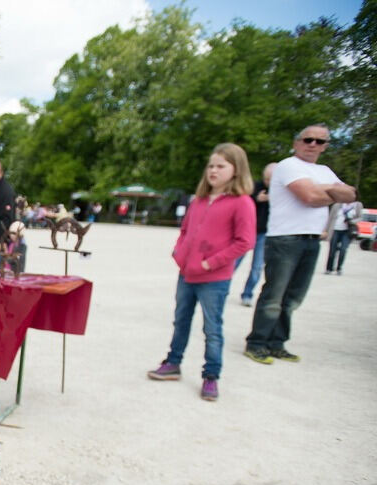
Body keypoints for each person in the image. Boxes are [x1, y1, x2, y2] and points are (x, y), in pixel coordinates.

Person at [147, 143, 255, 401]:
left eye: (221, 166)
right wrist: (179, 252)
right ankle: (173, 362)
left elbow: (244, 241)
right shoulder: (199, 201)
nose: (213, 171)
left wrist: (210, 263)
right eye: (211, 165)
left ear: (236, 170)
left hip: (214, 279)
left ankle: (211, 375)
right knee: (180, 320)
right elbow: (185, 230)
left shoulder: (242, 203)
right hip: (187, 274)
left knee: (212, 328)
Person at [244, 124, 357, 364]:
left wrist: (323, 189)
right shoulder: (288, 166)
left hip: (312, 238)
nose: (313, 144)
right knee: (274, 294)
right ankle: (257, 342)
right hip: (285, 238)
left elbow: (351, 195)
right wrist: (331, 190)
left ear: (325, 146)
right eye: (308, 139)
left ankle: (277, 343)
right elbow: (309, 197)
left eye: (319, 141)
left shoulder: (325, 170)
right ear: (297, 142)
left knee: (293, 296)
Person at [235, 163, 276, 306]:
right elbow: (243, 204)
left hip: (265, 233)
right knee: (233, 262)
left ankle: (247, 294)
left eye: (271, 180)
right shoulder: (254, 187)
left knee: (257, 267)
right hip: (248, 231)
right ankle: (221, 288)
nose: (268, 182)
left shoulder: (281, 191)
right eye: (267, 179)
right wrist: (257, 199)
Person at [324, 200, 362, 275]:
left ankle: (339, 268)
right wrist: (326, 230)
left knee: (343, 249)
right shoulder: (337, 205)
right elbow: (330, 218)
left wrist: (352, 221)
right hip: (335, 229)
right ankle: (329, 268)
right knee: (332, 250)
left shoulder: (357, 205)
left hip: (347, 231)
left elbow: (360, 217)